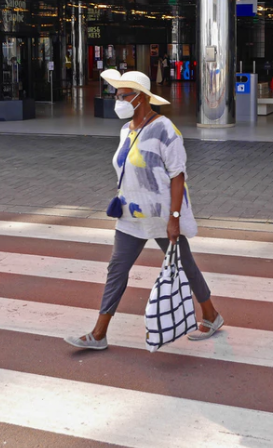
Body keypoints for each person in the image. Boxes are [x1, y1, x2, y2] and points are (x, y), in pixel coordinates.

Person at [65, 70, 223, 350]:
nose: (118, 101)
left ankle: (211, 314)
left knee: (185, 265)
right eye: (116, 96)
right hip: (131, 214)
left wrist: (174, 218)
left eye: (123, 96)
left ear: (140, 97)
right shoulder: (126, 130)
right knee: (117, 269)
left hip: (162, 215)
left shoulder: (165, 129)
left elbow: (178, 176)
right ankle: (99, 334)